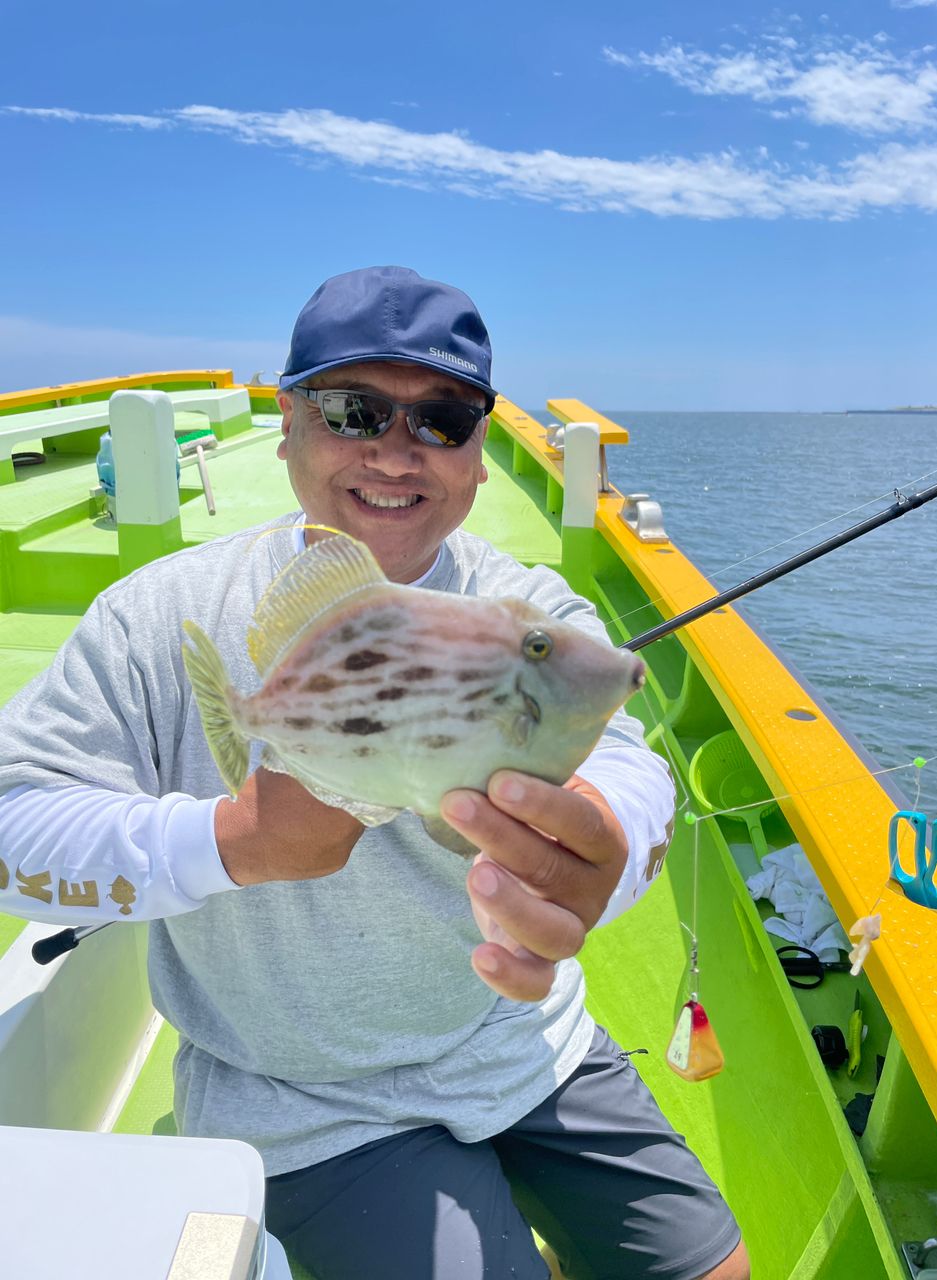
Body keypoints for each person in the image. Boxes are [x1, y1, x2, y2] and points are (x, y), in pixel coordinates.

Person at [0, 266, 748, 1280]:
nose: (397, 450)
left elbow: (625, 759)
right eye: (355, 409)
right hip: (303, 1093)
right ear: (289, 421)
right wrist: (231, 842)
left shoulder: (519, 607)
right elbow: (14, 817)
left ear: (481, 452)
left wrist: (601, 851)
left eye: (443, 418)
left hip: (522, 1041)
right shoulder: (159, 614)